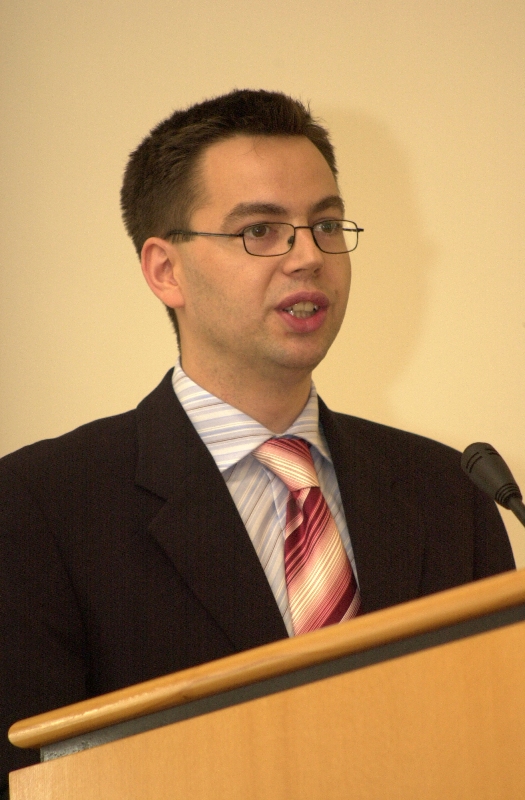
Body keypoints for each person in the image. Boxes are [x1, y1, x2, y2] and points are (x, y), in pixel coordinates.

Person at [0, 89, 514, 793]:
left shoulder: (447, 491)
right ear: (165, 270)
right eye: (261, 231)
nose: (308, 256)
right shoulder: (41, 506)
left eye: (325, 224)